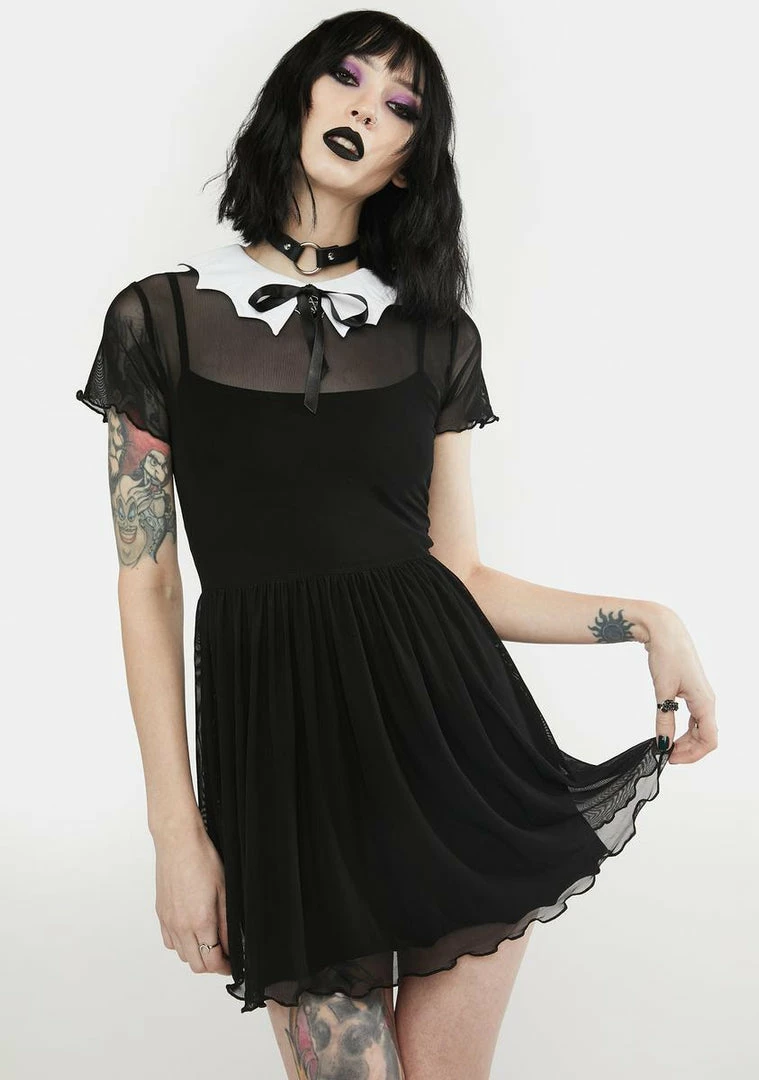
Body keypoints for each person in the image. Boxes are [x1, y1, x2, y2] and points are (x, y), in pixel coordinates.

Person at [74, 10, 717, 1080]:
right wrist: (175, 831)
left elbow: (457, 577)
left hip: (449, 752)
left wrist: (650, 620)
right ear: (299, 97)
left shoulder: (435, 336)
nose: (367, 106)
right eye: (348, 77)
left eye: (400, 104)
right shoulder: (159, 321)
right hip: (280, 771)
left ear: (410, 161)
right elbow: (147, 587)